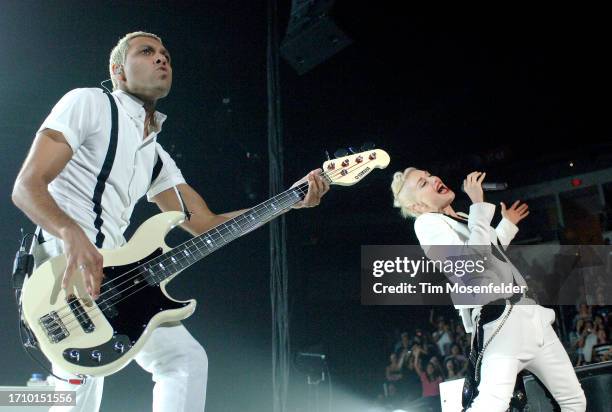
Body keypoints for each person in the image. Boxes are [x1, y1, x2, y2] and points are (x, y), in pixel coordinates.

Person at [11, 31, 329, 412]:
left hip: (116, 275)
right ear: (118, 71)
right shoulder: (88, 103)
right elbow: (26, 187)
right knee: (80, 391)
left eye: (165, 54)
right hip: (65, 267)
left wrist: (288, 202)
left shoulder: (156, 156)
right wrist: (71, 233)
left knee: (184, 361)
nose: (162, 59)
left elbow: (207, 226)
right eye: (147, 52)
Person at [390, 168, 586, 411]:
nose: (433, 179)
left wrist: (506, 224)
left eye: (430, 175)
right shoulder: (427, 224)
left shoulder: (462, 217)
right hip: (500, 318)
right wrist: (478, 206)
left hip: (529, 315)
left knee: (574, 401)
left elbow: (492, 252)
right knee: (490, 404)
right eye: (423, 183)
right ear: (418, 206)